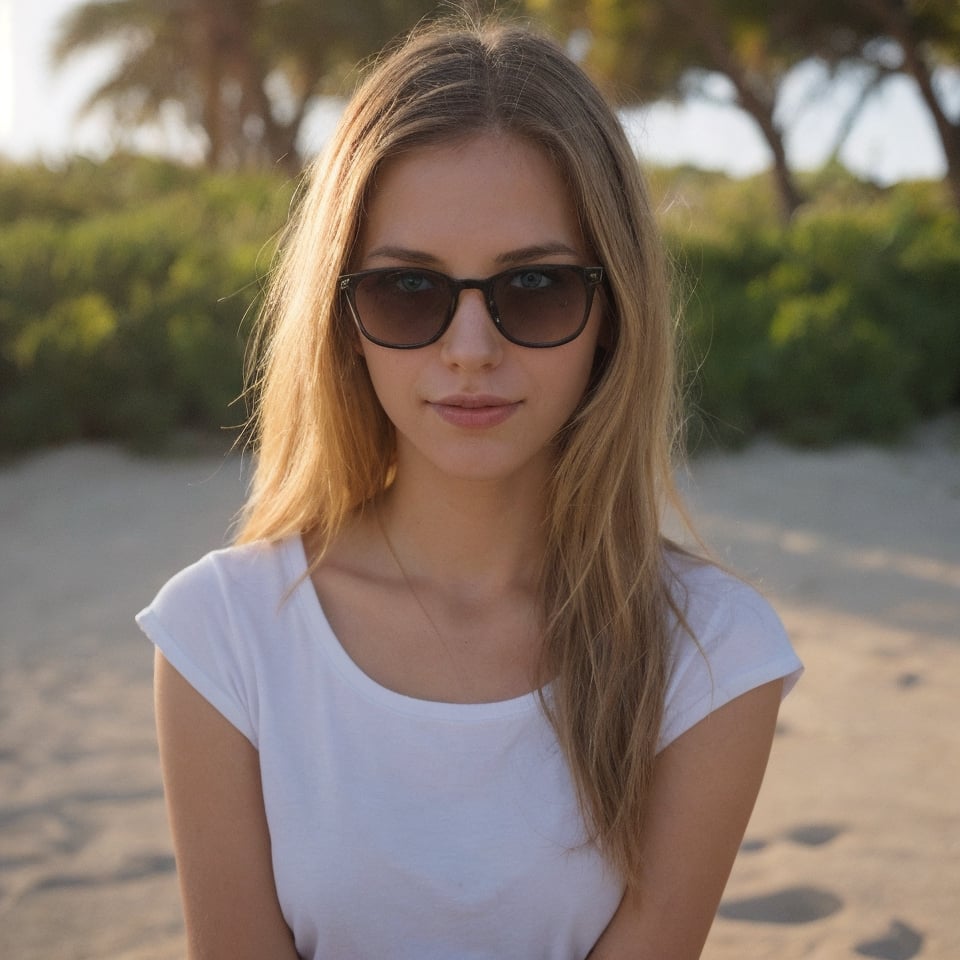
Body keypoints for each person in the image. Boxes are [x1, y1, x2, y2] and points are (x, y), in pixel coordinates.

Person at [138, 16, 802, 960]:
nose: (470, 351)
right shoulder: (222, 634)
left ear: (613, 312)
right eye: (408, 291)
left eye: (534, 287)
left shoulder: (715, 653)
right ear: (343, 320)